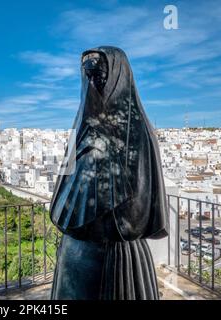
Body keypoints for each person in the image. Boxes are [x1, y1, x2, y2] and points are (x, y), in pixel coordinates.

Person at [50, 46, 169, 300]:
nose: (94, 83)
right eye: (88, 75)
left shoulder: (139, 135)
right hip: (78, 255)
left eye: (100, 74)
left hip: (116, 258)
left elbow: (138, 209)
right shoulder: (82, 131)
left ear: (117, 76)